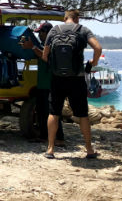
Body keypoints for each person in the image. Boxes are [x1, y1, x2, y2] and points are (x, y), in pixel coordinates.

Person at [42, 10, 102, 159]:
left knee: (54, 112)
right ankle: (89, 149)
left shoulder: (54, 31)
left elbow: (45, 55)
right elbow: (98, 48)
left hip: (57, 78)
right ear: (77, 18)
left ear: (65, 18)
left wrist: (54, 65)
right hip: (77, 78)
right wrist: (92, 63)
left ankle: (50, 149)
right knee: (82, 115)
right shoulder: (83, 30)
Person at [20, 23, 64, 145]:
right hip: (42, 84)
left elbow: (45, 56)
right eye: (39, 33)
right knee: (42, 111)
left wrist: (32, 47)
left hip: (51, 84)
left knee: (52, 112)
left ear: (48, 32)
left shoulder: (54, 44)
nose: (39, 35)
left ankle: (60, 138)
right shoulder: (44, 44)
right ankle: (44, 136)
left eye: (41, 32)